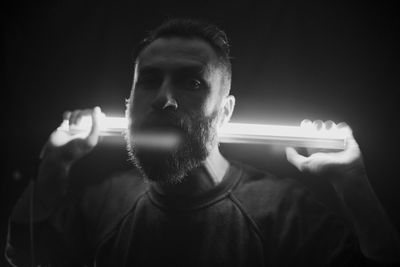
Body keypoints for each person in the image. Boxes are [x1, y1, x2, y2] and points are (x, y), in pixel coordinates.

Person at [6, 18, 400, 267]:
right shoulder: (103, 205)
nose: (164, 99)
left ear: (226, 112)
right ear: (127, 104)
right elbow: (22, 256)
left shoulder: (285, 215)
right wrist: (54, 167)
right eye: (148, 81)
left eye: (192, 82)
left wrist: (355, 186)